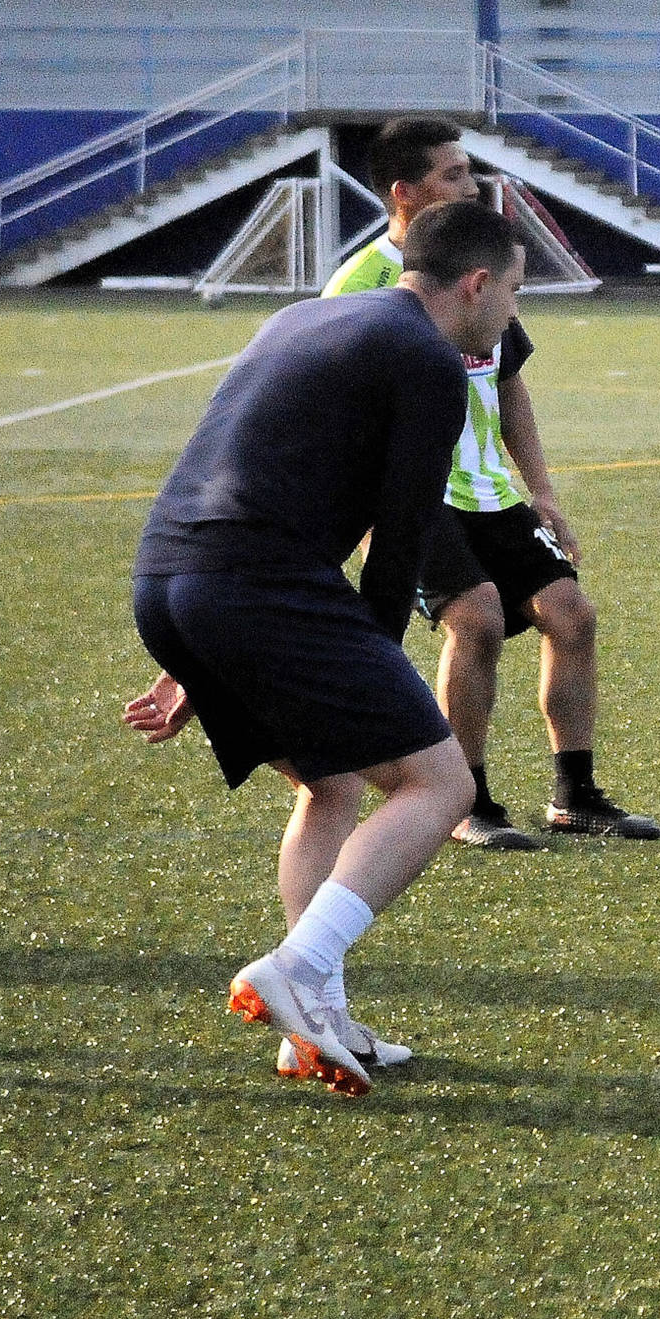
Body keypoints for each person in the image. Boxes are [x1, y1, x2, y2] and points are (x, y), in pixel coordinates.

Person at [124, 200, 528, 1095]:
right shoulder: (430, 363)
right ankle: (299, 967)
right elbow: (401, 542)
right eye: (511, 293)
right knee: (443, 780)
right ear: (475, 283)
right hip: (253, 587)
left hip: (168, 579)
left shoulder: (302, 313)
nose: (510, 315)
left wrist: (199, 651)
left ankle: (316, 1019)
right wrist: (378, 675)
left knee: (332, 782)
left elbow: (233, 471)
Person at [323, 116, 660, 849]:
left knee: (571, 613)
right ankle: (465, 800)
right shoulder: (361, 284)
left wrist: (541, 489)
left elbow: (509, 386)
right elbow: (340, 407)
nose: (470, 185)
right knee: (474, 618)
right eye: (452, 175)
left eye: (468, 172)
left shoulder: (475, 263)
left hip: (490, 491)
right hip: (416, 493)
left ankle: (574, 794)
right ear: (403, 192)